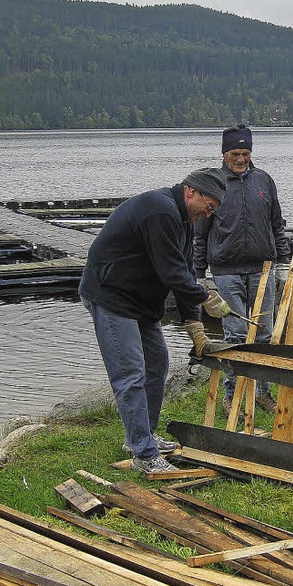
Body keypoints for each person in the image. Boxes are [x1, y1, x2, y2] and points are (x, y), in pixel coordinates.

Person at [79, 168, 232, 474]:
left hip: (141, 302)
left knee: (157, 364)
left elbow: (185, 272)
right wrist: (206, 298)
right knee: (130, 374)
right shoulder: (159, 211)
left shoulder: (184, 221)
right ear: (192, 192)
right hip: (112, 296)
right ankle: (144, 455)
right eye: (209, 206)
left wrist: (195, 328)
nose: (209, 214)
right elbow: (172, 272)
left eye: (214, 210)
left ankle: (141, 435)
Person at [194, 124, 292, 416]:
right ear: (224, 154)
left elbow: (277, 224)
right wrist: (201, 274)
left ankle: (262, 393)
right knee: (235, 333)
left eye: (246, 152)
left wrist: (283, 263)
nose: (241, 159)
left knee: (264, 334)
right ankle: (232, 394)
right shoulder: (212, 185)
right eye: (235, 153)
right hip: (225, 271)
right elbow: (200, 233)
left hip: (263, 268)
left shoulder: (264, 181)